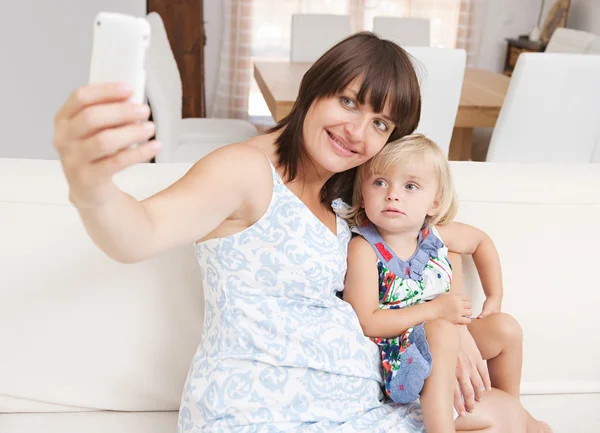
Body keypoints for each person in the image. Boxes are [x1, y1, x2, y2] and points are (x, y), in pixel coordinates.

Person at [52, 32, 529, 432]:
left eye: (380, 123)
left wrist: (450, 326)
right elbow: (140, 232)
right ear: (313, 89)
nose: (357, 132)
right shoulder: (246, 170)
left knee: (514, 418)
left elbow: (431, 241)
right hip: (262, 413)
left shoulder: (353, 196)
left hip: (360, 406)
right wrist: (91, 187)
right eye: (347, 101)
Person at [341, 134, 552, 433]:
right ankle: (441, 428)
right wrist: (434, 311)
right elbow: (366, 322)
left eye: (410, 186)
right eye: (379, 183)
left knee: (506, 328)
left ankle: (511, 410)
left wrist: (495, 296)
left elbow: (480, 241)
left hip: (446, 341)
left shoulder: (436, 236)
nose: (392, 195)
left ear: (434, 202)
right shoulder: (365, 248)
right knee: (440, 329)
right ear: (362, 195)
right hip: (401, 359)